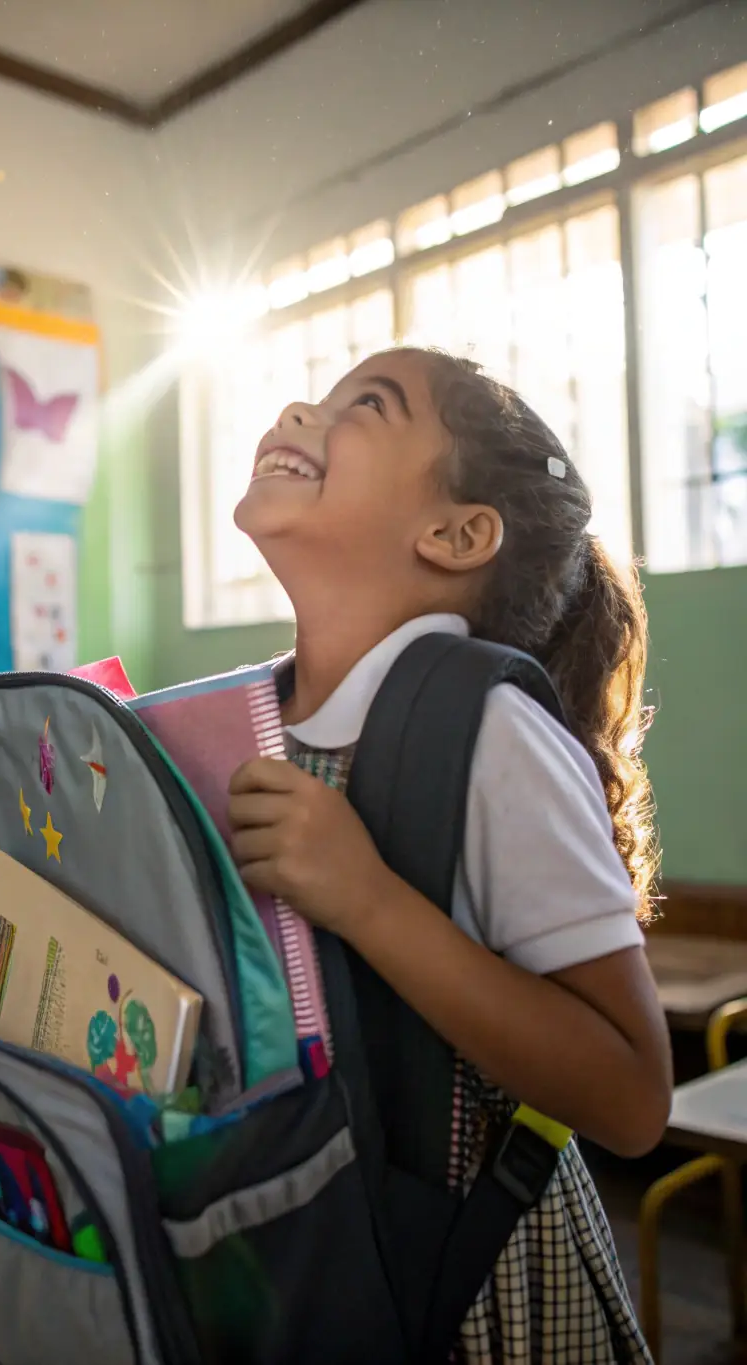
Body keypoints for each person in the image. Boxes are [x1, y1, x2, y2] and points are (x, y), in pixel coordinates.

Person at [227, 347, 672, 1362]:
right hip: (328, 1258)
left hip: (472, 1292)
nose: (301, 408)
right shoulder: (246, 717)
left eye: (365, 406)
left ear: (457, 532)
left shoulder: (489, 729)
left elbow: (633, 1097)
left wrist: (368, 901)